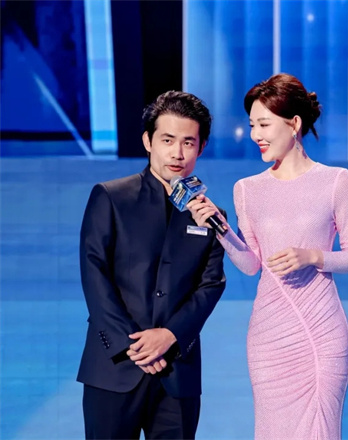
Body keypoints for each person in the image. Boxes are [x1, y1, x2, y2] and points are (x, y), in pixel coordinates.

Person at [187, 72, 348, 439]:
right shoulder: (247, 189)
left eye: (264, 124)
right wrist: (220, 228)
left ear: (294, 124)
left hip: (321, 333)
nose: (256, 134)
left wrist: (313, 256)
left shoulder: (336, 181)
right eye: (252, 124)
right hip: (269, 336)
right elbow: (252, 264)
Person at [77, 90, 227, 439]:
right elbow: (94, 272)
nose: (177, 153)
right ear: (148, 141)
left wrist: (170, 335)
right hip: (114, 367)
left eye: (188, 142)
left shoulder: (210, 214)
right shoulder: (111, 196)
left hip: (178, 372)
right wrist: (134, 345)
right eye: (167, 140)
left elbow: (211, 285)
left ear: (201, 147)